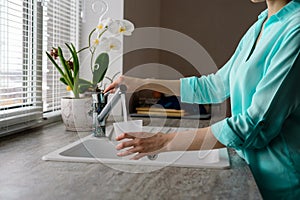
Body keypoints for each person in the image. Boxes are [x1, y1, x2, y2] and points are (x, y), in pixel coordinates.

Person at [104, 0, 300, 198]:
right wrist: (141, 84)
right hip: (252, 171)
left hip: (282, 183)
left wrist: (164, 142)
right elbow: (215, 86)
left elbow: (254, 125)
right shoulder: (260, 25)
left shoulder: (296, 29)